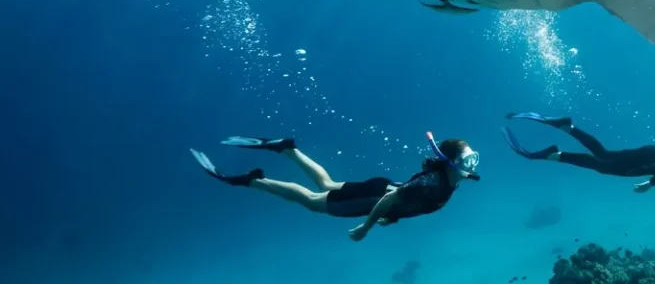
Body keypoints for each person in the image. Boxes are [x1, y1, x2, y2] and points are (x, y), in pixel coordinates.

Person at [189, 132, 478, 241]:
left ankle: (287, 148)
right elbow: (391, 200)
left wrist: (395, 216)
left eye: (473, 159)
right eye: (468, 160)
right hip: (373, 197)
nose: (472, 166)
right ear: (450, 162)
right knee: (314, 201)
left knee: (327, 183)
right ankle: (253, 180)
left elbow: (407, 204)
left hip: (378, 189)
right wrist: (367, 227)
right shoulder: (432, 183)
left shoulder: (449, 181)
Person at [501, 109, 655, 192]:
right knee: (603, 163)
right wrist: (652, 183)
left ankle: (567, 131)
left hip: (652, 155)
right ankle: (557, 150)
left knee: (604, 158)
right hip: (654, 161)